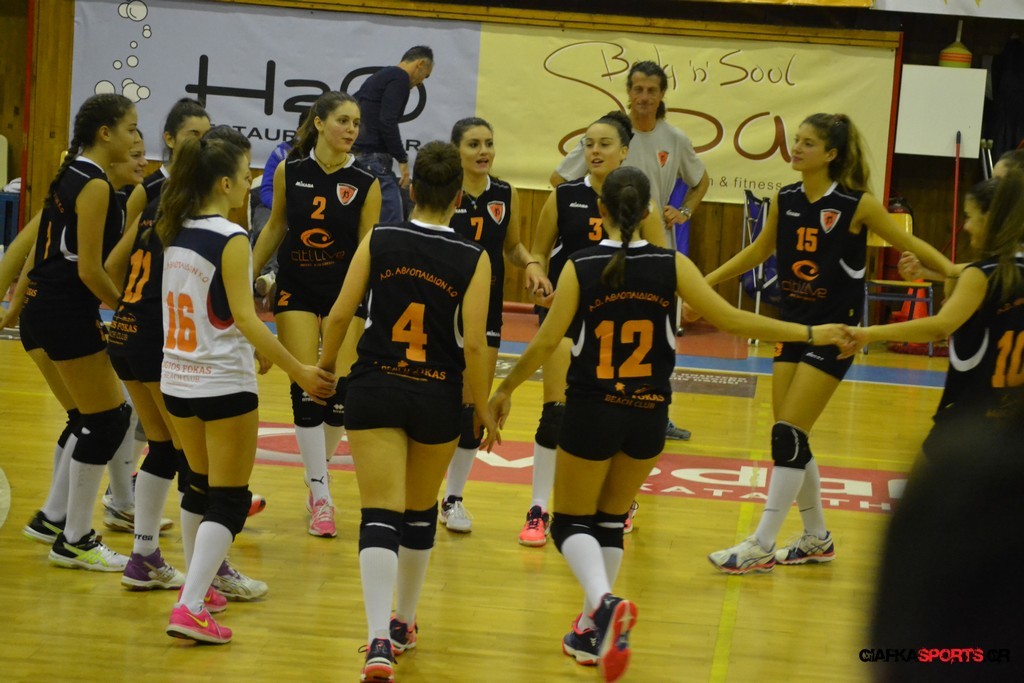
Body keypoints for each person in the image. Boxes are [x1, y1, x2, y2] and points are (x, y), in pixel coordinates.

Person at [485, 166, 852, 683]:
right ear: (649, 212)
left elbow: (547, 342)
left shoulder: (581, 265)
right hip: (650, 414)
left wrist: (503, 391)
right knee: (610, 521)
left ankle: (604, 604)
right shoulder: (672, 264)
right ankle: (590, 632)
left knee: (569, 524)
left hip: (593, 409)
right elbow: (734, 320)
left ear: (601, 211)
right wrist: (812, 331)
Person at [690, 113, 956, 574]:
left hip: (836, 332)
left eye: (808, 143)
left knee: (788, 434)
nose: (796, 148)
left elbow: (910, 244)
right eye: (796, 140)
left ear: (831, 154)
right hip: (793, 326)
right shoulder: (787, 197)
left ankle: (762, 543)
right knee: (791, 435)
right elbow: (759, 250)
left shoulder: (858, 204)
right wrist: (704, 284)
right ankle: (816, 537)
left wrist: (954, 273)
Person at [317, 141, 497, 682]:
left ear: (412, 188)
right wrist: (482, 405)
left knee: (378, 513)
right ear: (459, 197)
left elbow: (341, 313)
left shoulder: (380, 238)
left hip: (375, 386)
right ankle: (403, 622)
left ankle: (377, 641)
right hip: (437, 392)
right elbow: (475, 344)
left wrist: (325, 367)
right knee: (419, 513)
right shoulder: (474, 257)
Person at [160, 136, 335, 644]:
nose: (249, 183)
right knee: (230, 499)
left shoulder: (175, 228)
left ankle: (199, 585)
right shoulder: (231, 236)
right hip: (220, 382)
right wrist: (299, 370)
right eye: (244, 174)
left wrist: (252, 343)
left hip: (176, 377)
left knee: (198, 486)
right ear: (224, 183)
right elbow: (245, 316)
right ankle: (191, 606)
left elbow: (214, 308)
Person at [865, 175, 1024, 683]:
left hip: (968, 421)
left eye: (972, 217)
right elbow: (970, 283)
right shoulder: (1004, 271)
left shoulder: (981, 274)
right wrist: (934, 272)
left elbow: (940, 325)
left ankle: (938, 646)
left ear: (993, 219)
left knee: (929, 538)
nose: (965, 226)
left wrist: (866, 332)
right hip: (1012, 420)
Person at [518, 111, 665, 547]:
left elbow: (660, 266)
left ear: (624, 151)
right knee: (555, 414)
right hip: (566, 317)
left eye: (604, 144)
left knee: (616, 413)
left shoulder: (641, 202)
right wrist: (536, 273)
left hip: (619, 328)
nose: (594, 151)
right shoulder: (564, 197)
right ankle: (538, 509)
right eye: (588, 144)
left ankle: (620, 501)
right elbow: (539, 253)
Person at [551, 60, 709, 443]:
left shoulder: (675, 139)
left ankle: (658, 412)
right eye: (638, 89)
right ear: (628, 92)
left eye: (651, 90)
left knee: (656, 335)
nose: (644, 97)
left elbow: (701, 180)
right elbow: (560, 179)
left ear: (662, 94)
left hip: (653, 249)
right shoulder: (609, 135)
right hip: (606, 251)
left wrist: (684, 210)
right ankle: (582, 403)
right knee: (598, 334)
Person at [10, 132, 150, 546]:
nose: (142, 161)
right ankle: (73, 524)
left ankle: (59, 516)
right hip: (57, 313)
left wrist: (15, 309)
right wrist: (128, 312)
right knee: (104, 418)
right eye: (134, 151)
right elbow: (32, 252)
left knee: (93, 418)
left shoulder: (95, 190)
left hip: (48, 311)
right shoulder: (89, 189)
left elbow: (36, 255)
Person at [252, 91, 382, 537]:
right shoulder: (290, 170)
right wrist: (246, 275)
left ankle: (316, 475)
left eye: (356, 122)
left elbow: (368, 245)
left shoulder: (366, 181)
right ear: (320, 123)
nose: (352, 129)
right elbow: (276, 226)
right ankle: (322, 495)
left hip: (345, 291)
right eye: (343, 120)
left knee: (339, 395)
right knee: (308, 387)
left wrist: (371, 298)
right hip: (298, 285)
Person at [437, 117, 552, 533]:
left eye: (488, 143)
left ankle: (453, 499)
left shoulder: (505, 192)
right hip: (441, 307)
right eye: (473, 144)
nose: (483, 151)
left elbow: (513, 246)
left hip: (485, 312)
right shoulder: (444, 191)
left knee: (474, 405)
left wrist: (532, 264)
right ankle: (420, 492)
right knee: (436, 400)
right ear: (456, 150)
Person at [352, 45, 434, 225]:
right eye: (426, 76)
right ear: (420, 64)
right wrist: (402, 159)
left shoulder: (381, 76)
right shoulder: (400, 78)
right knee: (392, 223)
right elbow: (387, 121)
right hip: (373, 159)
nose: (421, 82)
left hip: (358, 157)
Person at [250, 110, 309, 299]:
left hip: (303, 210)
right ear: (298, 130)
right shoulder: (281, 152)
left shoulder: (323, 158)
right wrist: (282, 208)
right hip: (271, 206)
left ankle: (274, 279)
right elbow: (266, 189)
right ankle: (268, 276)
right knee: (269, 226)